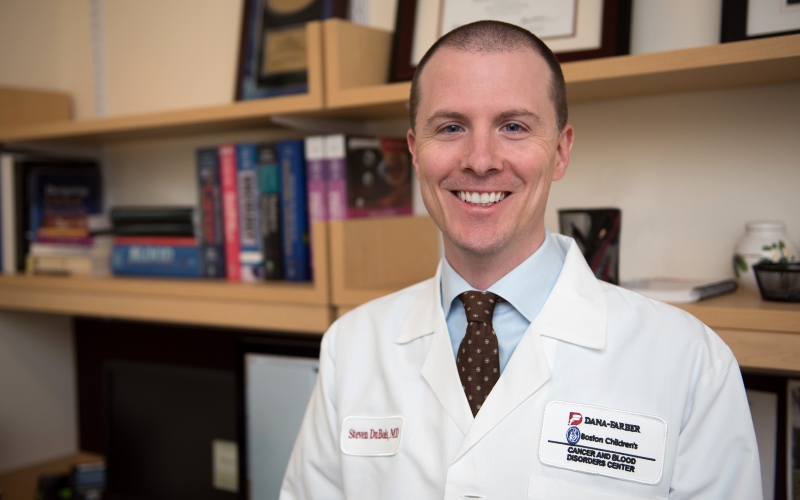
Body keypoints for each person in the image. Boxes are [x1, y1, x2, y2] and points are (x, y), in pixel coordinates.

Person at [280, 21, 761, 499]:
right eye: (450, 127)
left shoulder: (691, 362)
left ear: (561, 152)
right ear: (415, 153)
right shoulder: (351, 347)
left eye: (513, 127)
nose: (480, 160)